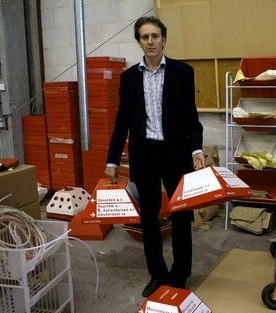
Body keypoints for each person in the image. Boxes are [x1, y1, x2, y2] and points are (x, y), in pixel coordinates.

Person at [105, 16, 205, 297]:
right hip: (145, 155)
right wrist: (112, 160)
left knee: (182, 217)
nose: (151, 41)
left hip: (176, 155)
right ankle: (157, 274)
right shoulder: (129, 78)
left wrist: (196, 150)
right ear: (139, 41)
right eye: (145, 37)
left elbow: (191, 119)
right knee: (149, 220)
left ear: (164, 39)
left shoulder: (182, 73)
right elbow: (122, 120)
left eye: (155, 36)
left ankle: (180, 274)